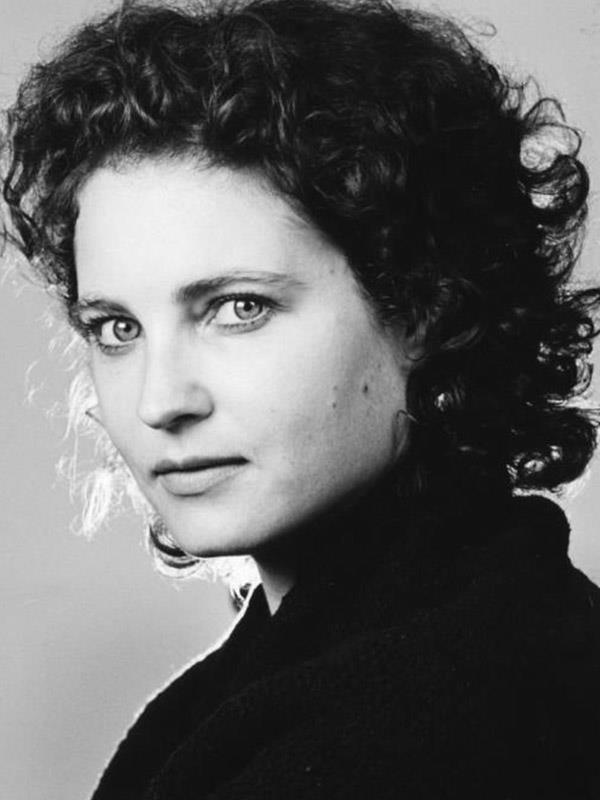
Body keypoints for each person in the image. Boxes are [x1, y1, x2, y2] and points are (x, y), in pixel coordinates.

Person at [3, 0, 600, 797]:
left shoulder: (439, 723)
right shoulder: (269, 688)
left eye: (239, 307)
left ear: (424, 307)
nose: (159, 401)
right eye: (117, 328)